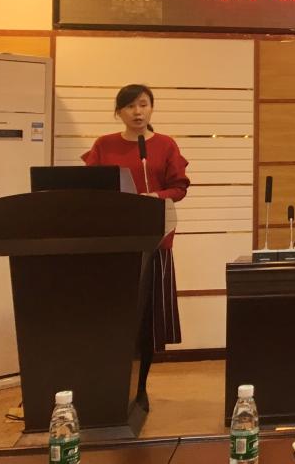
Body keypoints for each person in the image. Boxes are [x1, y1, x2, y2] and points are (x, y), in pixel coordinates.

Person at [82, 84, 190, 410]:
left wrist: (154, 196)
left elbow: (179, 187)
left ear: (151, 108)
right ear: (119, 112)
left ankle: (140, 388)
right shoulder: (104, 145)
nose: (138, 112)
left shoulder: (165, 145)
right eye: (130, 106)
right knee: (115, 318)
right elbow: (89, 186)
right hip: (115, 242)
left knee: (147, 321)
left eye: (143, 104)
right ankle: (110, 387)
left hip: (154, 240)